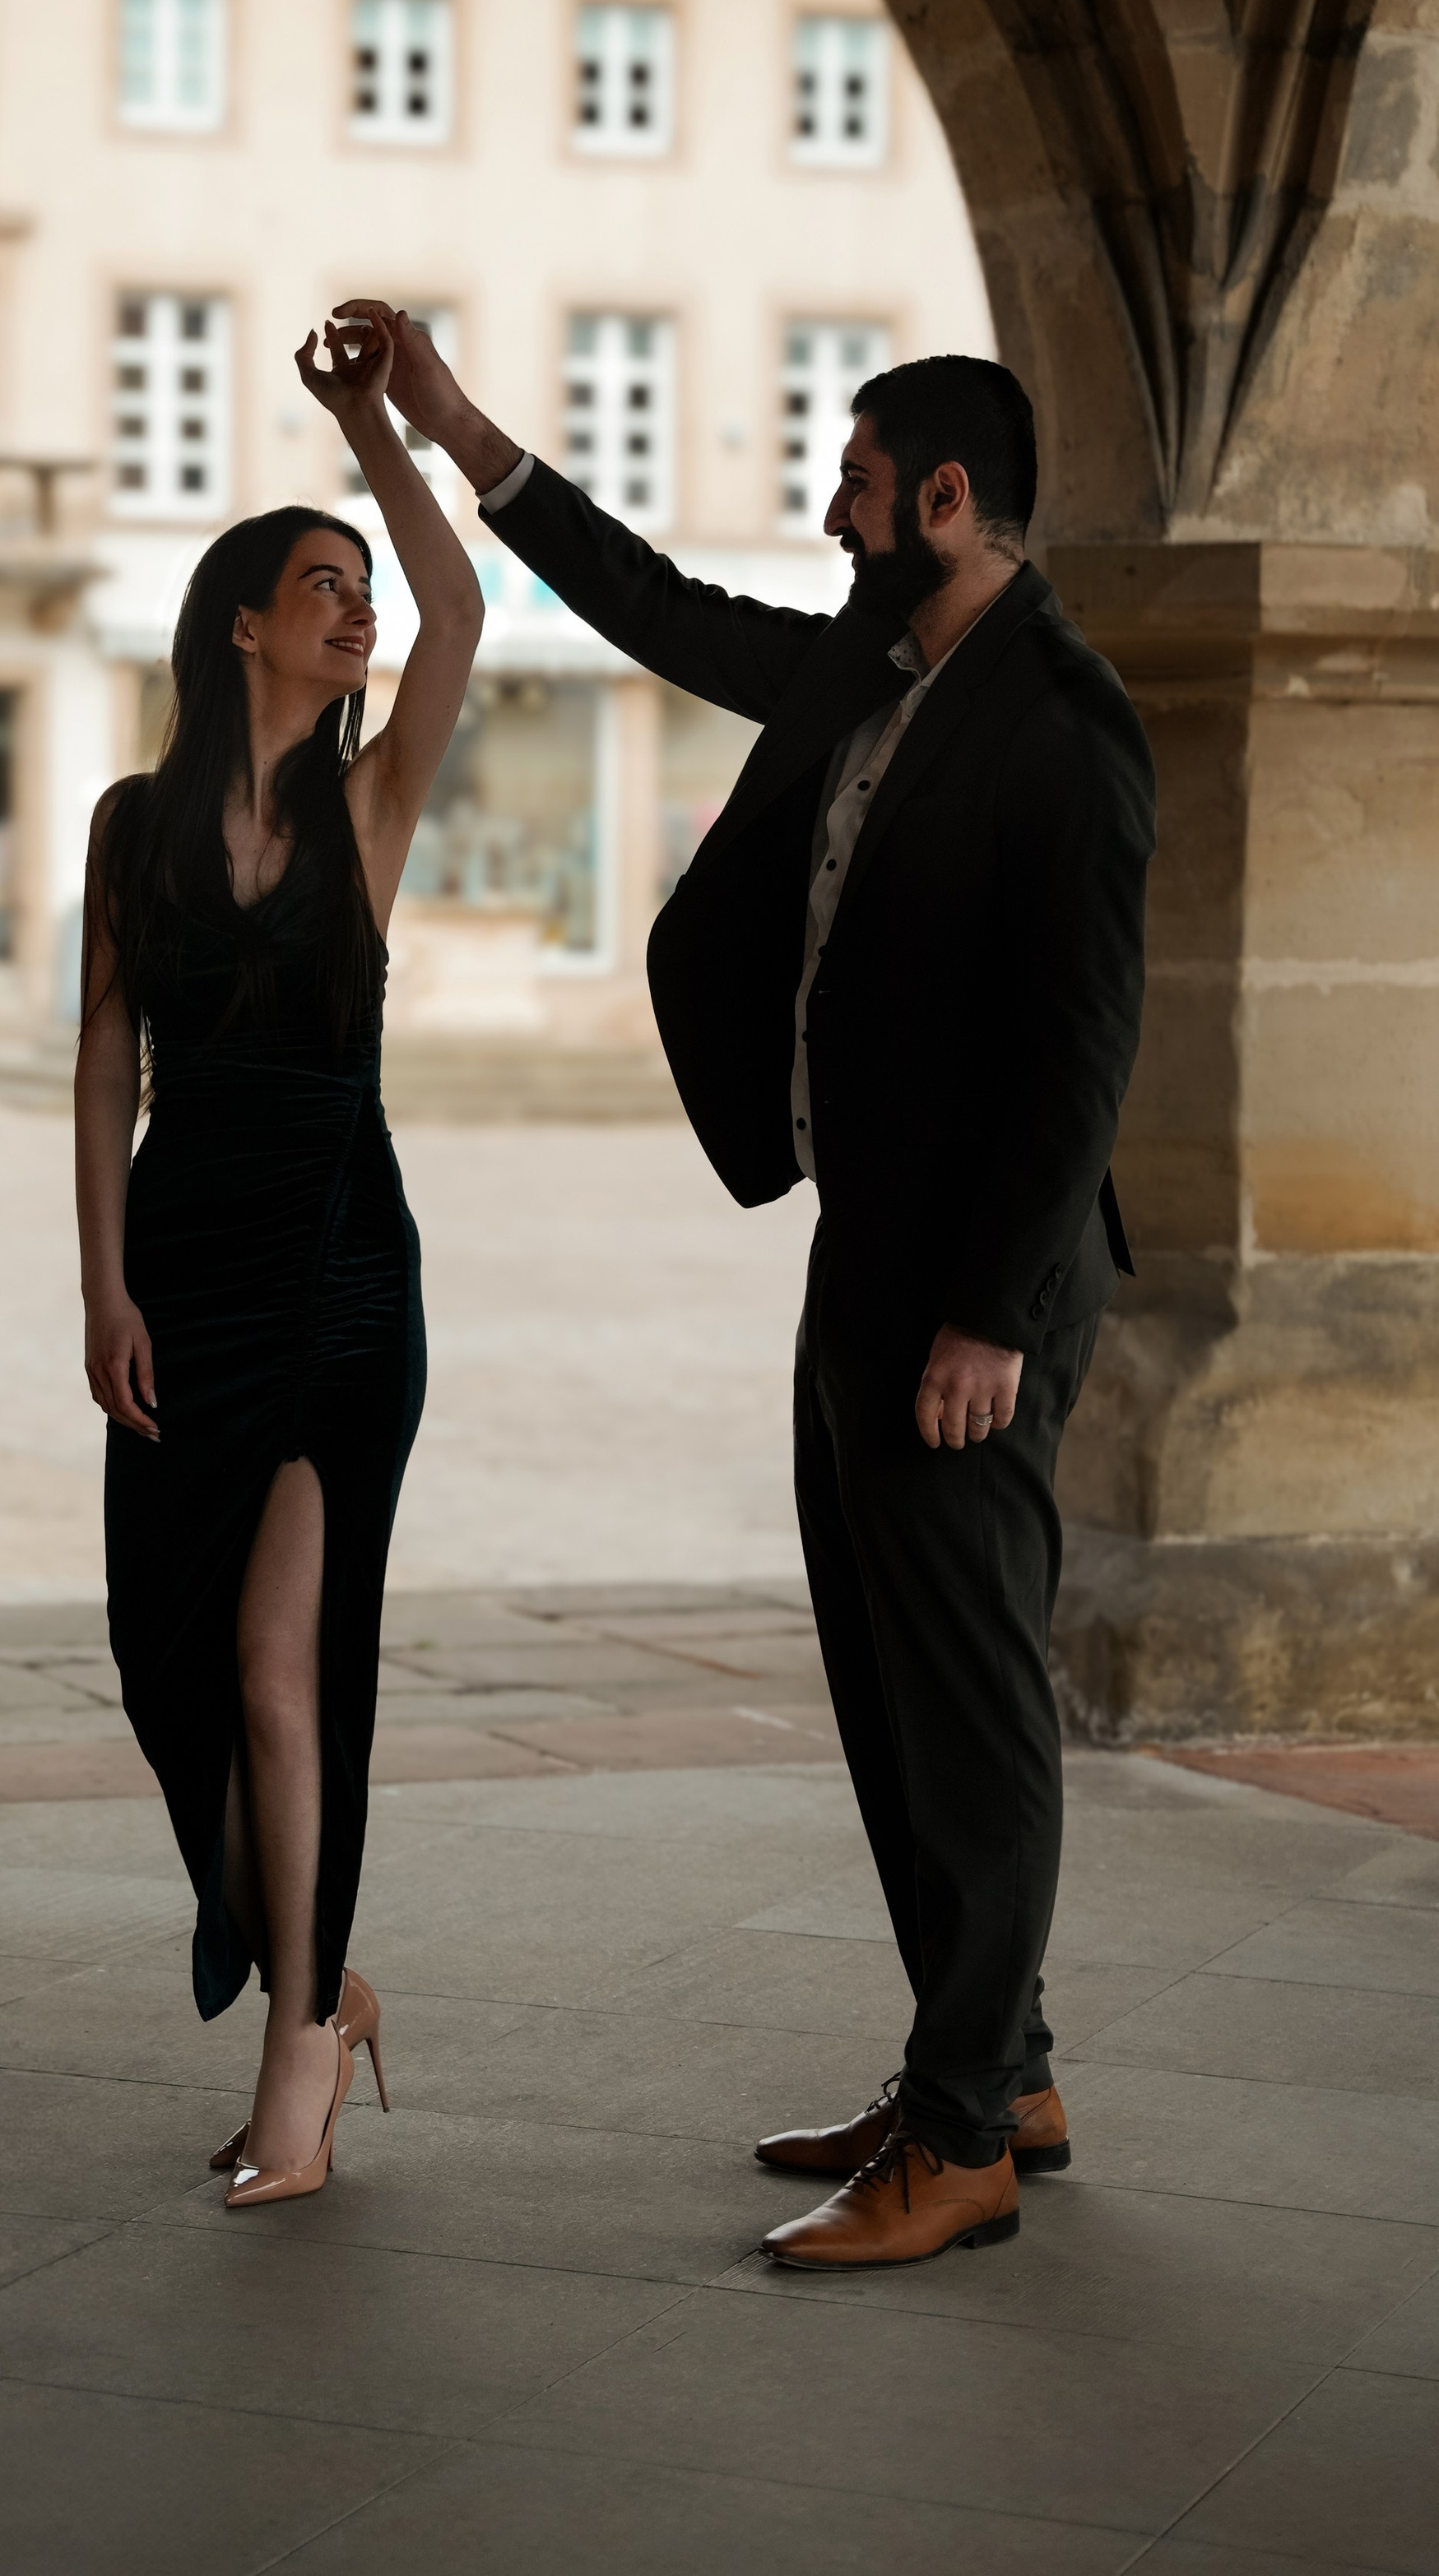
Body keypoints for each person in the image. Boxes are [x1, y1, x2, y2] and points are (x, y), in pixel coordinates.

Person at [356, 303, 1154, 2272]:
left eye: (856, 485)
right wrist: (453, 427)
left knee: (966, 1699)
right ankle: (996, 2069)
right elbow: (656, 608)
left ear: (944, 499)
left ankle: (958, 2143)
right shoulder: (873, 673)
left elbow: (1078, 1048)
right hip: (862, 1246)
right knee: (885, 1681)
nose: (829, 514)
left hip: (972, 1291)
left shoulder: (1058, 720)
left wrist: (987, 1313)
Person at [75, 308, 482, 2210]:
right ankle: (321, 1978)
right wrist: (102, 1288)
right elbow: (105, 1069)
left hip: (337, 1277)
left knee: (276, 1665)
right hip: (179, 1274)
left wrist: (376, 429)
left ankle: (296, 2057)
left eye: (357, 591)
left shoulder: (367, 807)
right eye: (323, 585)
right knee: (166, 1669)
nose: (359, 612)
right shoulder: (129, 830)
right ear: (237, 622)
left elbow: (457, 609)